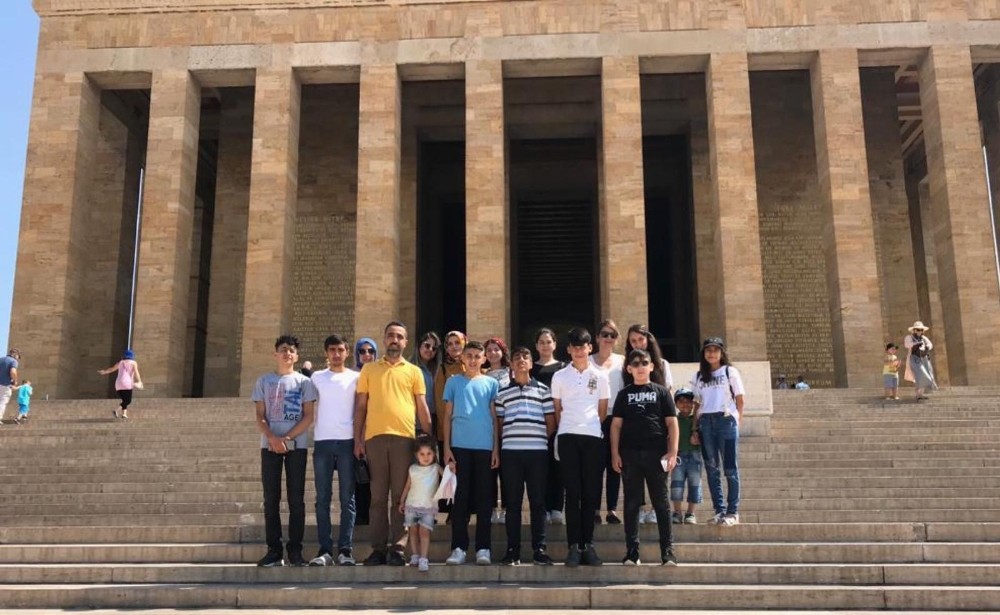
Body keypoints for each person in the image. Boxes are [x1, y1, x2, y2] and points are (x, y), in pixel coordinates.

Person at [354, 321, 432, 566]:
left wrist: (429, 438)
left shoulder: (414, 371)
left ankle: (398, 547)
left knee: (400, 496)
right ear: (384, 339)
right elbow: (361, 406)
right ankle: (378, 549)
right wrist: (358, 439)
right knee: (377, 497)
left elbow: (421, 405)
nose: (394, 340)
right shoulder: (369, 370)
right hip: (375, 439)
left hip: (404, 440)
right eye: (390, 336)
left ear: (405, 342)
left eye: (399, 336)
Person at [252, 335, 317, 567]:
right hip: (269, 445)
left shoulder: (304, 383)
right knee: (271, 499)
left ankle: (295, 550)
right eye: (283, 349)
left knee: (296, 499)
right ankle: (274, 550)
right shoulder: (263, 381)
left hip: (296, 446)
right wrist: (272, 438)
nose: (287, 353)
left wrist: (287, 438)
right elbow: (260, 416)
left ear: (296, 356)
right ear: (275, 354)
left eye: (291, 350)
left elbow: (308, 416)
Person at [610, 348, 679, 566]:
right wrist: (615, 453)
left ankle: (667, 552)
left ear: (651, 366)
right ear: (629, 369)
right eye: (635, 363)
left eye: (644, 363)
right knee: (631, 504)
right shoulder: (623, 394)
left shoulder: (662, 392)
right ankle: (632, 552)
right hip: (630, 455)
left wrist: (672, 452)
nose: (640, 367)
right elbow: (616, 425)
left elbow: (672, 423)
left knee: (661, 503)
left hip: (656, 454)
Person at [552, 327, 610, 566]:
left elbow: (602, 410)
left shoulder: (601, 376)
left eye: (582, 347)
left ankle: (588, 544)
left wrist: (589, 425)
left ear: (590, 348)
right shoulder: (559, 376)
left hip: (593, 436)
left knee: (590, 493)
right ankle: (574, 546)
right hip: (567, 435)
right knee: (573, 493)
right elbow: (557, 409)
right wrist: (570, 425)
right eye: (574, 347)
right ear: (568, 349)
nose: (578, 351)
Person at [496, 346, 556, 566]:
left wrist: (535, 438)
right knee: (512, 504)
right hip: (511, 454)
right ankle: (513, 550)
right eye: (517, 357)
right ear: (511, 364)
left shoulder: (544, 390)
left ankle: (539, 549)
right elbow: (500, 426)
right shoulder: (502, 393)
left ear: (531, 363)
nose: (521, 360)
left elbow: (551, 424)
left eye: (525, 357)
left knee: (538, 502)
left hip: (537, 453)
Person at [442, 341, 500, 566]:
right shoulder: (453, 382)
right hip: (459, 447)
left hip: (484, 447)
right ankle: (458, 547)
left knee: (484, 499)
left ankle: (483, 548)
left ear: (484, 359)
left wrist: (495, 448)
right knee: (460, 499)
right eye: (469, 356)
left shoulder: (491, 383)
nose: (473, 360)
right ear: (463, 358)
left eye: (477, 356)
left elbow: (494, 418)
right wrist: (446, 448)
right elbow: (447, 416)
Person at [309, 334, 360, 567]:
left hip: (347, 441)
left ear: (347, 352)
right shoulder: (317, 377)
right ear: (326, 353)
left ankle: (345, 550)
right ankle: (325, 550)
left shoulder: (356, 377)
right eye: (332, 350)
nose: (336, 354)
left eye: (340, 350)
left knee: (348, 498)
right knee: (322, 498)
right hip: (323, 441)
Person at [621, 324, 674, 524]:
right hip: (634, 428)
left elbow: (668, 393)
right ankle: (641, 509)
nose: (637, 344)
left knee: (659, 476)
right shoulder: (627, 366)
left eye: (640, 339)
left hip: (658, 427)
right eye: (633, 341)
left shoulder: (663, 364)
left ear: (648, 340)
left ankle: (654, 510)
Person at [691, 336, 744, 527]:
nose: (711, 353)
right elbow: (697, 404)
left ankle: (732, 512)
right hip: (706, 423)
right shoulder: (699, 376)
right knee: (712, 469)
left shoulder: (730, 371)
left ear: (722, 353)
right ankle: (719, 511)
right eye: (708, 350)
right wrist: (694, 428)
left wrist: (737, 420)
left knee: (730, 468)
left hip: (726, 421)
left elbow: (740, 399)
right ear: (704, 354)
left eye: (715, 350)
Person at [589, 319, 624, 526]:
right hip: (594, 418)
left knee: (614, 465)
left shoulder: (623, 361)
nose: (608, 338)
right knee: (595, 465)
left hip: (617, 418)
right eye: (604, 334)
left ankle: (611, 509)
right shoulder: (588, 361)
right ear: (597, 338)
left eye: (612, 335)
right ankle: (594, 508)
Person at [530, 328, 566, 525]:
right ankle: (543, 507)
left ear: (555, 344)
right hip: (535, 424)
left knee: (557, 466)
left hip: (559, 422)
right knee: (539, 469)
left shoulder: (563, 368)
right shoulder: (530, 368)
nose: (545, 345)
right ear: (536, 346)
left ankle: (557, 508)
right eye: (541, 342)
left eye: (548, 342)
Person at [398, 435, 442, 572]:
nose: (426, 457)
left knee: (424, 531)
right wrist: (402, 501)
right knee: (412, 530)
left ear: (434, 454)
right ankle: (415, 555)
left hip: (428, 506)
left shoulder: (436, 468)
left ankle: (424, 557)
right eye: (422, 454)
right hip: (412, 505)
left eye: (429, 453)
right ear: (416, 455)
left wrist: (452, 468)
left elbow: (448, 476)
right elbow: (407, 486)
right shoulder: (412, 469)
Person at [483, 336, 510, 524]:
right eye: (489, 350)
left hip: (508, 427)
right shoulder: (481, 374)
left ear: (503, 351)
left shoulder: (511, 372)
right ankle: (492, 508)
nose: (492, 353)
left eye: (496, 349)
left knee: (507, 472)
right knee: (489, 472)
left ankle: (506, 508)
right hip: (487, 428)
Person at [352, 337, 378, 525]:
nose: (366, 355)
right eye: (362, 351)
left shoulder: (380, 374)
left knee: (375, 477)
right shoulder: (351, 376)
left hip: (376, 430)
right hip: (357, 430)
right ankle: (361, 515)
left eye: (370, 351)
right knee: (359, 475)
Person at [669, 387, 702, 525]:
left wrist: (698, 438)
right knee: (676, 484)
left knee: (695, 484)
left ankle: (690, 513)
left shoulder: (697, 420)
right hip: (678, 456)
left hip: (695, 455)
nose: (685, 404)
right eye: (681, 401)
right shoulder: (673, 420)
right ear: (676, 404)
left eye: (688, 401)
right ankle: (677, 512)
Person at [413, 331, 443, 439]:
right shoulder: (410, 368)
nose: (430, 350)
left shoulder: (437, 369)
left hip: (434, 421)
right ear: (419, 345)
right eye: (427, 345)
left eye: (434, 348)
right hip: (415, 422)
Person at [98, 350, 142, 420]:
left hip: (118, 384)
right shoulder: (133, 363)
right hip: (127, 383)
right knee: (128, 401)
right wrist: (139, 381)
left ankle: (124, 414)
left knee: (124, 400)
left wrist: (104, 372)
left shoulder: (120, 362)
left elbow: (112, 369)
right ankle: (116, 410)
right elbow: (136, 372)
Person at [904, 321, 938, 401]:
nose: (919, 331)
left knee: (926, 374)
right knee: (920, 374)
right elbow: (907, 345)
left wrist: (927, 347)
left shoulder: (924, 338)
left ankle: (920, 394)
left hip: (924, 358)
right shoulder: (909, 337)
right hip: (914, 358)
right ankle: (918, 394)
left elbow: (930, 345)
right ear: (914, 330)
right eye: (918, 329)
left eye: (921, 330)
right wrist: (915, 345)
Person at [0, 348, 19, 424]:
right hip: (5, 385)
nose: (18, 358)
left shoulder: (1, 359)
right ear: (15, 354)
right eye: (18, 356)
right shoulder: (13, 361)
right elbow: (13, 372)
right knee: (2, 402)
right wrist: (15, 381)